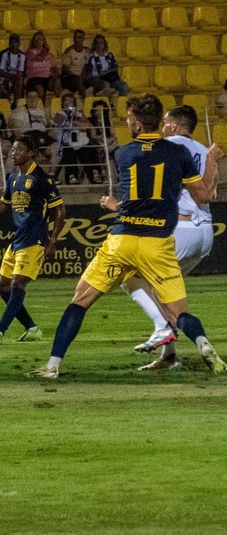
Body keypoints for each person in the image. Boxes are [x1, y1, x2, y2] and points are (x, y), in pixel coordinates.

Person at [33, 94, 222, 379]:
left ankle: (52, 365)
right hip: (158, 242)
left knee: (80, 300)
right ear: (160, 122)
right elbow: (205, 195)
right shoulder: (179, 154)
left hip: (122, 239)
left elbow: (140, 188)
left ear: (135, 124)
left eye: (129, 118)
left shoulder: (122, 153)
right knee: (178, 312)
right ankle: (203, 343)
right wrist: (210, 161)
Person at [126, 104, 220, 370]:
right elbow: (210, 194)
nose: (162, 126)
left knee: (130, 274)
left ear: (175, 127)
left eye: (165, 122)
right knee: (165, 292)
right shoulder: (204, 150)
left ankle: (161, 328)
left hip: (180, 228)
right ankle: (170, 356)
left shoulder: (170, 148)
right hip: (205, 232)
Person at [0, 132, 63, 345]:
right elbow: (2, 204)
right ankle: (32, 328)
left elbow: (59, 210)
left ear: (31, 154)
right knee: (3, 288)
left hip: (35, 240)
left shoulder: (41, 179)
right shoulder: (13, 178)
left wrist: (52, 240)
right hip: (17, 241)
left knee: (17, 285)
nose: (14, 153)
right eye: (13, 149)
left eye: (19, 150)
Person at [50, 93, 93, 183]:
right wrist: (77, 124)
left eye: (71, 101)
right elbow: (62, 124)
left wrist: (72, 123)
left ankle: (94, 176)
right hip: (64, 141)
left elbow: (87, 126)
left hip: (79, 141)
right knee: (68, 151)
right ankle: (71, 176)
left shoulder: (80, 114)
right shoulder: (59, 114)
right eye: (65, 100)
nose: (68, 102)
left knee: (89, 150)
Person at [0, 33, 28, 104]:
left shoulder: (22, 56)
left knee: (20, 80)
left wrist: (15, 77)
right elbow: (1, 71)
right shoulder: (4, 54)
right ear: (9, 43)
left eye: (16, 42)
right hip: (5, 77)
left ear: (19, 44)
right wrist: (10, 76)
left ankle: (16, 102)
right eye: (12, 42)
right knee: (4, 84)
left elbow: (21, 72)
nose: (13, 45)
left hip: (16, 78)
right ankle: (6, 103)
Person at [59, 29, 91, 96]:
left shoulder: (87, 51)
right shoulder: (68, 51)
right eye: (75, 37)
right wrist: (76, 76)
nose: (76, 40)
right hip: (70, 77)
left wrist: (82, 75)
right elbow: (65, 69)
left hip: (83, 76)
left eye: (79, 38)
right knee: (78, 81)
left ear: (83, 39)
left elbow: (89, 66)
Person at [24, 31, 54, 98]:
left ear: (43, 40)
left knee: (57, 83)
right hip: (35, 78)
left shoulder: (48, 53)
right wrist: (45, 53)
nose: (38, 41)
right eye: (36, 39)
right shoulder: (30, 52)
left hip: (47, 78)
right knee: (40, 89)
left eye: (40, 39)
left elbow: (53, 65)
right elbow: (39, 58)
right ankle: (41, 106)